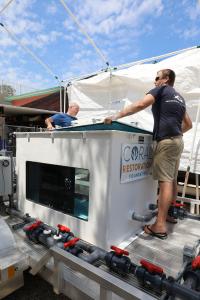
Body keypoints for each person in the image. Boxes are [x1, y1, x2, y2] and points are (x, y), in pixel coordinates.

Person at [104, 69, 192, 239]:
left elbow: (140, 104)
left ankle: (159, 225)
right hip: (178, 141)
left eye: (157, 77)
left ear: (166, 79)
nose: (154, 81)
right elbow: (188, 124)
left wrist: (116, 116)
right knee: (172, 179)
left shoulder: (161, 90)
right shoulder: (179, 97)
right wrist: (175, 132)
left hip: (166, 142)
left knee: (165, 181)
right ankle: (168, 213)